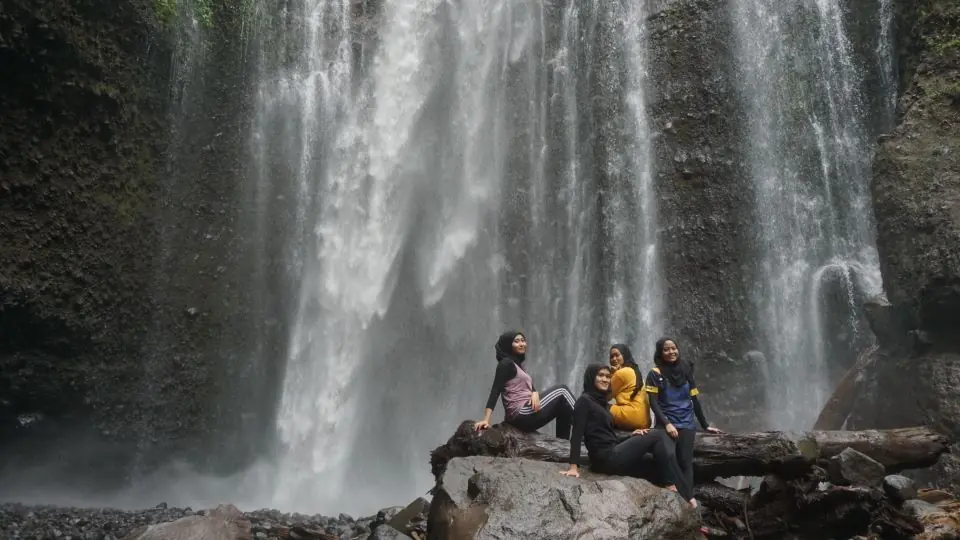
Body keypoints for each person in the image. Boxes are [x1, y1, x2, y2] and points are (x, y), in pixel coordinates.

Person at [560, 364, 694, 505]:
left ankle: (681, 493)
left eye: (607, 376)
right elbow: (575, 435)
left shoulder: (602, 403)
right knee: (659, 434)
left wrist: (631, 436)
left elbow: (606, 436)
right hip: (605, 458)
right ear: (591, 377)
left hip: (611, 453)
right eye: (600, 375)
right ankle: (683, 493)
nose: (605, 379)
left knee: (652, 460)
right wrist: (573, 467)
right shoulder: (584, 401)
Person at [645, 337, 722, 500]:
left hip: (687, 422)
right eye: (666, 349)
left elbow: (694, 399)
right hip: (665, 423)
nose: (671, 352)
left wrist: (705, 425)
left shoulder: (686, 369)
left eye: (673, 348)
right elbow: (653, 403)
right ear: (660, 352)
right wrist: (666, 424)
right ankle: (675, 491)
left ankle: (688, 499)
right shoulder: (654, 374)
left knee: (686, 462)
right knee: (669, 455)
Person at [473, 331, 576, 439]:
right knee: (562, 391)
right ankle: (590, 427)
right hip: (521, 413)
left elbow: (528, 388)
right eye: (516, 341)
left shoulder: (518, 365)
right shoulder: (505, 364)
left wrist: (535, 393)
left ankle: (564, 443)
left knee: (562, 407)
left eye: (523, 340)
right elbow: (495, 391)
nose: (522, 344)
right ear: (508, 344)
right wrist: (486, 419)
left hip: (526, 412)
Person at [608, 343, 652, 430]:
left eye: (617, 355)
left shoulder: (621, 373)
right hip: (645, 421)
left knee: (596, 405)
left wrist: (612, 373)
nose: (614, 359)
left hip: (631, 417)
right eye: (611, 356)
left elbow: (606, 396)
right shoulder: (634, 371)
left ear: (624, 355)